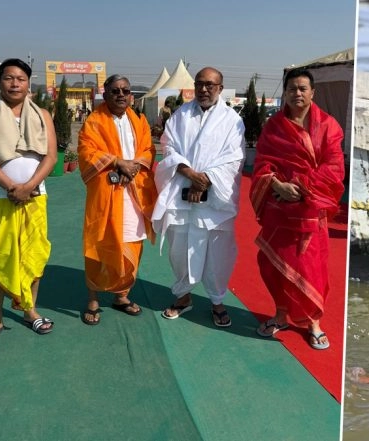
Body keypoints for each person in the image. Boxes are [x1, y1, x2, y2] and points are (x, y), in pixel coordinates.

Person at [251, 68, 345, 350]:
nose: (297, 93)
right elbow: (262, 163)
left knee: (311, 267)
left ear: (313, 92)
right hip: (279, 208)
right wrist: (276, 185)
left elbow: (334, 168)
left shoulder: (328, 126)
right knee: (272, 265)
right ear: (286, 92)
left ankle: (314, 322)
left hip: (310, 210)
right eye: (292, 88)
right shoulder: (274, 126)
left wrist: (300, 186)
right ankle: (281, 315)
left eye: (303, 88)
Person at [0, 58, 58, 346]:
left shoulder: (42, 114)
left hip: (35, 197)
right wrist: (11, 187)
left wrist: (29, 186)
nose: (14, 83)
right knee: (0, 257)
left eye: (20, 79)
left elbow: (51, 157)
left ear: (28, 83)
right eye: (8, 78)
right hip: (0, 197)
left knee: (35, 255)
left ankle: (30, 311)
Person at [153, 67, 244, 327]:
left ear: (220, 88)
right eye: (200, 84)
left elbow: (234, 158)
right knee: (180, 250)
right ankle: (183, 297)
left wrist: (205, 180)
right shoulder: (180, 115)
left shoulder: (232, 120)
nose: (204, 89)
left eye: (210, 85)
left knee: (218, 255)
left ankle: (217, 301)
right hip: (182, 194)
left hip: (215, 201)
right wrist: (190, 174)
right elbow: (168, 147)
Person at [77, 74, 157, 325]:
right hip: (106, 194)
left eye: (125, 90)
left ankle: (121, 295)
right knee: (100, 243)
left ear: (131, 95)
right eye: (115, 91)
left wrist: (133, 167)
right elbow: (86, 152)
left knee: (132, 242)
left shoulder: (139, 120)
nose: (121, 95)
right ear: (105, 94)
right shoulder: (94, 121)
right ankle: (93, 299)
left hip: (134, 194)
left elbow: (148, 149)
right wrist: (117, 162)